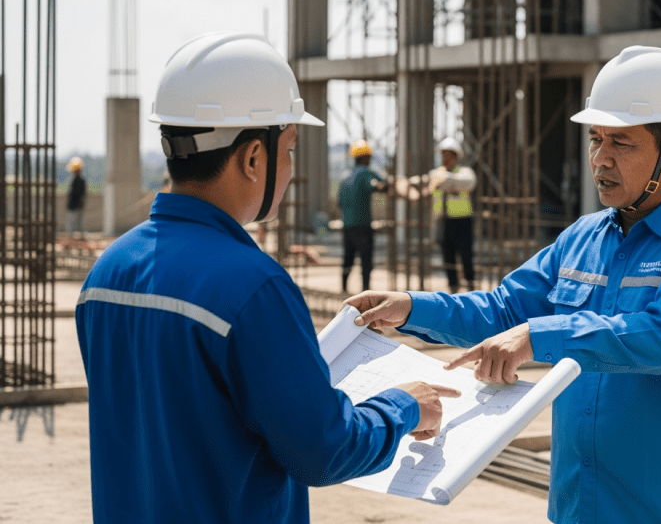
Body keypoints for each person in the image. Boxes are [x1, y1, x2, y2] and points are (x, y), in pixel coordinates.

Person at [347, 46, 661, 523]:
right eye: (595, 139)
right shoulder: (582, 237)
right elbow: (504, 311)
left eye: (621, 143)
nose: (601, 159)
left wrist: (540, 336)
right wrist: (413, 308)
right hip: (579, 505)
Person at [75, 32, 458, 524]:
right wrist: (402, 405)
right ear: (254, 157)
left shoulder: (106, 274)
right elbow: (323, 449)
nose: (292, 168)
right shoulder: (253, 287)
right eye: (291, 149)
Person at [338, 139, 387, 292]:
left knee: (348, 258)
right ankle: (366, 289)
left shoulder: (344, 177)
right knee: (366, 259)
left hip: (347, 225)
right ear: (366, 157)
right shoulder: (366, 174)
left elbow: (339, 203)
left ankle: (344, 288)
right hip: (362, 225)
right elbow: (379, 186)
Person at [429, 137, 477, 293]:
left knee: (466, 255)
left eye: (449, 155)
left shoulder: (464, 173)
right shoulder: (437, 174)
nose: (445, 158)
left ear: (456, 157)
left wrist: (444, 179)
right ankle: (453, 286)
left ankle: (470, 284)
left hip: (462, 221)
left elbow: (469, 182)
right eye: (443, 155)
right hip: (444, 222)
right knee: (447, 256)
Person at [66, 156, 86, 237]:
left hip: (75, 204)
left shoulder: (79, 180)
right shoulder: (77, 180)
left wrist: (80, 204)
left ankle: (76, 237)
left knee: (76, 222)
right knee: (75, 222)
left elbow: (81, 194)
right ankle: (73, 237)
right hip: (74, 204)